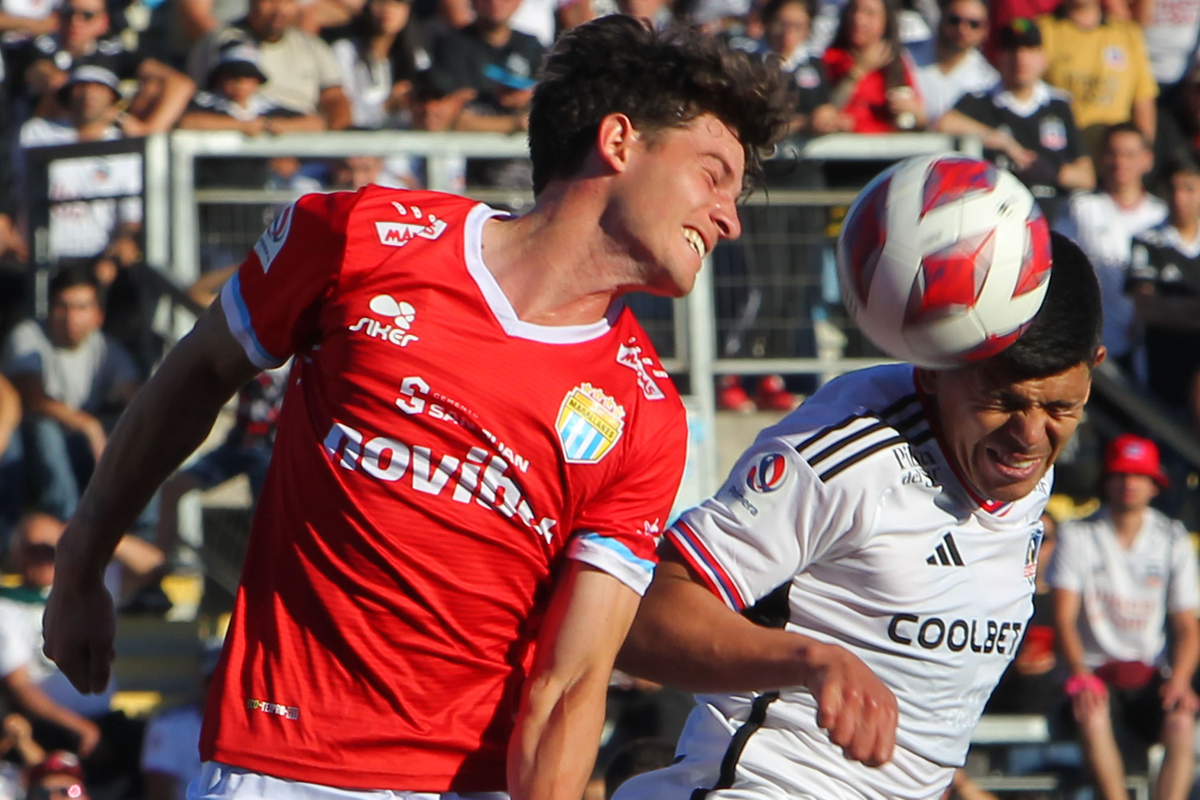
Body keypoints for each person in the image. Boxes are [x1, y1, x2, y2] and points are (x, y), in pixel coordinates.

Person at [42, 15, 790, 800]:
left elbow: (569, 685)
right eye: (713, 175)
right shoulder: (362, 236)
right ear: (619, 141)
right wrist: (83, 557)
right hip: (284, 768)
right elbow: (195, 375)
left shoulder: (645, 412)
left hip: (471, 783)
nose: (730, 219)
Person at [611, 231, 1105, 800]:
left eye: (1060, 407)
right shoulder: (850, 452)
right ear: (932, 371)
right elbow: (642, 616)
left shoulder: (1024, 467)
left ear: (1093, 368)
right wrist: (811, 661)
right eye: (1003, 402)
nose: (1029, 437)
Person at [1049, 434, 1200, 800]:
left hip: (1149, 675)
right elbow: (1063, 619)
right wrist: (1081, 676)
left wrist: (1180, 680)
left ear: (1153, 484)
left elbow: (1187, 624)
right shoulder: (1078, 535)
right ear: (1107, 481)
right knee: (1092, 709)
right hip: (1094, 672)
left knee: (1182, 720)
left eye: (1137, 476)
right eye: (1120, 475)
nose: (1129, 484)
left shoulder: (1172, 538)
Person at [1, 266, 141, 522]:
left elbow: (137, 399)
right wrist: (88, 425)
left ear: (99, 315)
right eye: (62, 306)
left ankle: (145, 532)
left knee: (136, 435)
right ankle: (65, 523)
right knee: (46, 429)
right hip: (25, 445)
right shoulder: (26, 337)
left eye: (81, 307)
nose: (71, 316)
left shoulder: (108, 349)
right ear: (49, 309)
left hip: (81, 445)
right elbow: (32, 397)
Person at [938, 17, 1093, 221]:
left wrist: (1052, 172)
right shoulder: (980, 101)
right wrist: (1001, 141)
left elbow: (1086, 177)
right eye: (1012, 50)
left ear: (1043, 57)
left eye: (1030, 49)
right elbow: (943, 124)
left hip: (1050, 218)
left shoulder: (1058, 105)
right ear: (998, 57)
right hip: (995, 217)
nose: (1021, 58)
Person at [1054, 123, 1165, 375]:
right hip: (1092, 343)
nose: (1119, 162)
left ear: (1147, 160)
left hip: (1147, 350)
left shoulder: (1161, 216)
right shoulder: (1082, 208)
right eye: (1113, 153)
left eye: (1129, 154)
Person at [8, 0, 194, 131]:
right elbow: (51, 81)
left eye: (87, 15)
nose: (76, 22)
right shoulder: (39, 47)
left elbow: (180, 84)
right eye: (68, 14)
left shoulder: (111, 50)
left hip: (103, 141)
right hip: (50, 140)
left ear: (103, 22)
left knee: (152, 89)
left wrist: (147, 132)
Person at [188, 0, 352, 128]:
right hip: (244, 140)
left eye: (286, 2)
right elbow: (206, 100)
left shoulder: (312, 46)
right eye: (268, 1)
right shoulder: (224, 41)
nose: (278, 10)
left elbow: (334, 99)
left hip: (302, 138)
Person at [1036, 0, 1158, 157]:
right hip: (1064, 151)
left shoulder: (1127, 32)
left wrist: (1143, 154)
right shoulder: (1043, 30)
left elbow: (1143, 99)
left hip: (1115, 158)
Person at [1127, 160, 1200, 421]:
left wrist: (1175, 309)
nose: (1180, 197)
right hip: (1161, 375)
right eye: (1173, 188)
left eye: (1189, 189)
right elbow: (1148, 308)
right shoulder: (1147, 241)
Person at [822, 0, 927, 132]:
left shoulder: (895, 63)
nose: (858, 19)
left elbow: (920, 118)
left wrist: (914, 111)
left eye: (870, 13)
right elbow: (825, 110)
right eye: (854, 10)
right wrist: (858, 70)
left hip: (887, 146)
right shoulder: (831, 58)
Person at [178, 39, 326, 133]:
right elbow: (187, 122)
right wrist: (241, 126)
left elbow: (316, 123)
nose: (240, 84)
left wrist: (279, 126)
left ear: (256, 82)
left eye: (247, 77)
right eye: (233, 77)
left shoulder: (264, 107)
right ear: (219, 79)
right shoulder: (206, 103)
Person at [325, 0, 427, 129]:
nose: (388, 8)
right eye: (380, 2)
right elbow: (343, 114)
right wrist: (385, 107)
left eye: (398, 2)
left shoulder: (417, 57)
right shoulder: (344, 52)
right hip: (359, 142)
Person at [140, 643, 221, 800]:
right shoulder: (168, 726)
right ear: (201, 681)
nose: (220, 686)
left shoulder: (258, 729)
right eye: (213, 679)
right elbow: (159, 791)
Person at [915, 0, 997, 124]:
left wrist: (925, 120)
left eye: (974, 24)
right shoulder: (904, 56)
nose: (962, 29)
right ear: (941, 19)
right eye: (954, 20)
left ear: (985, 30)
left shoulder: (987, 81)